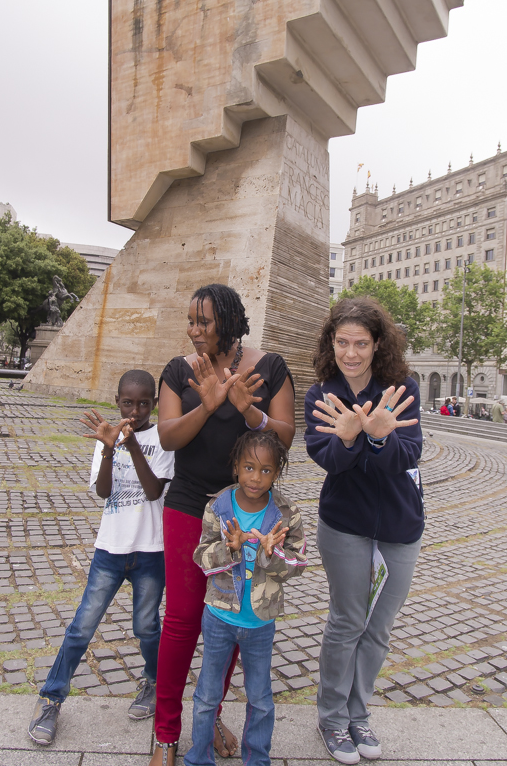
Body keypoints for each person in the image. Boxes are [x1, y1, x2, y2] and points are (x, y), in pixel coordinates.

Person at [151, 283, 295, 766]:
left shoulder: (269, 368)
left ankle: (207, 719)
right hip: (190, 506)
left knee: (230, 619)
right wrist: (208, 404)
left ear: (229, 322)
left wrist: (245, 408)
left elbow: (285, 437)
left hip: (246, 512)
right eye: (190, 321)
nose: (194, 331)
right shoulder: (178, 372)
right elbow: (169, 438)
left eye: (204, 322)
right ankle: (166, 736)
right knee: (182, 622)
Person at [304, 297, 424, 764]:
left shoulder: (401, 387)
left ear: (377, 345)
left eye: (360, 343)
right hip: (345, 525)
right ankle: (332, 718)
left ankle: (358, 714)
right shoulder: (322, 394)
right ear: (330, 343)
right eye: (341, 342)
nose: (350, 353)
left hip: (400, 524)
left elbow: (408, 455)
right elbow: (328, 460)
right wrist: (350, 437)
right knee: (347, 622)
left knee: (378, 629)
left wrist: (377, 436)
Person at [28, 370, 174, 745]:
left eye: (144, 402)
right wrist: (110, 447)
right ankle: (51, 697)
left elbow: (154, 490)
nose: (136, 409)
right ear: (117, 401)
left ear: (154, 403)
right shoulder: (107, 437)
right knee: (81, 626)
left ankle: (153, 682)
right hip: (110, 550)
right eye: (128, 402)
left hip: (150, 551)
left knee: (146, 626)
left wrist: (133, 445)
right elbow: (104, 491)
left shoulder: (164, 439)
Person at [184, 430, 307, 766]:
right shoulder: (219, 506)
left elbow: (298, 564)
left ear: (277, 473)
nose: (256, 477)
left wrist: (271, 554)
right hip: (220, 616)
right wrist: (230, 547)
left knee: (261, 698)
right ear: (236, 467)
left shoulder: (286, 514)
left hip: (260, 623)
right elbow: (200, 556)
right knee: (208, 695)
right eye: (249, 467)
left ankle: (258, 759)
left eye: (266, 470)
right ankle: (198, 757)